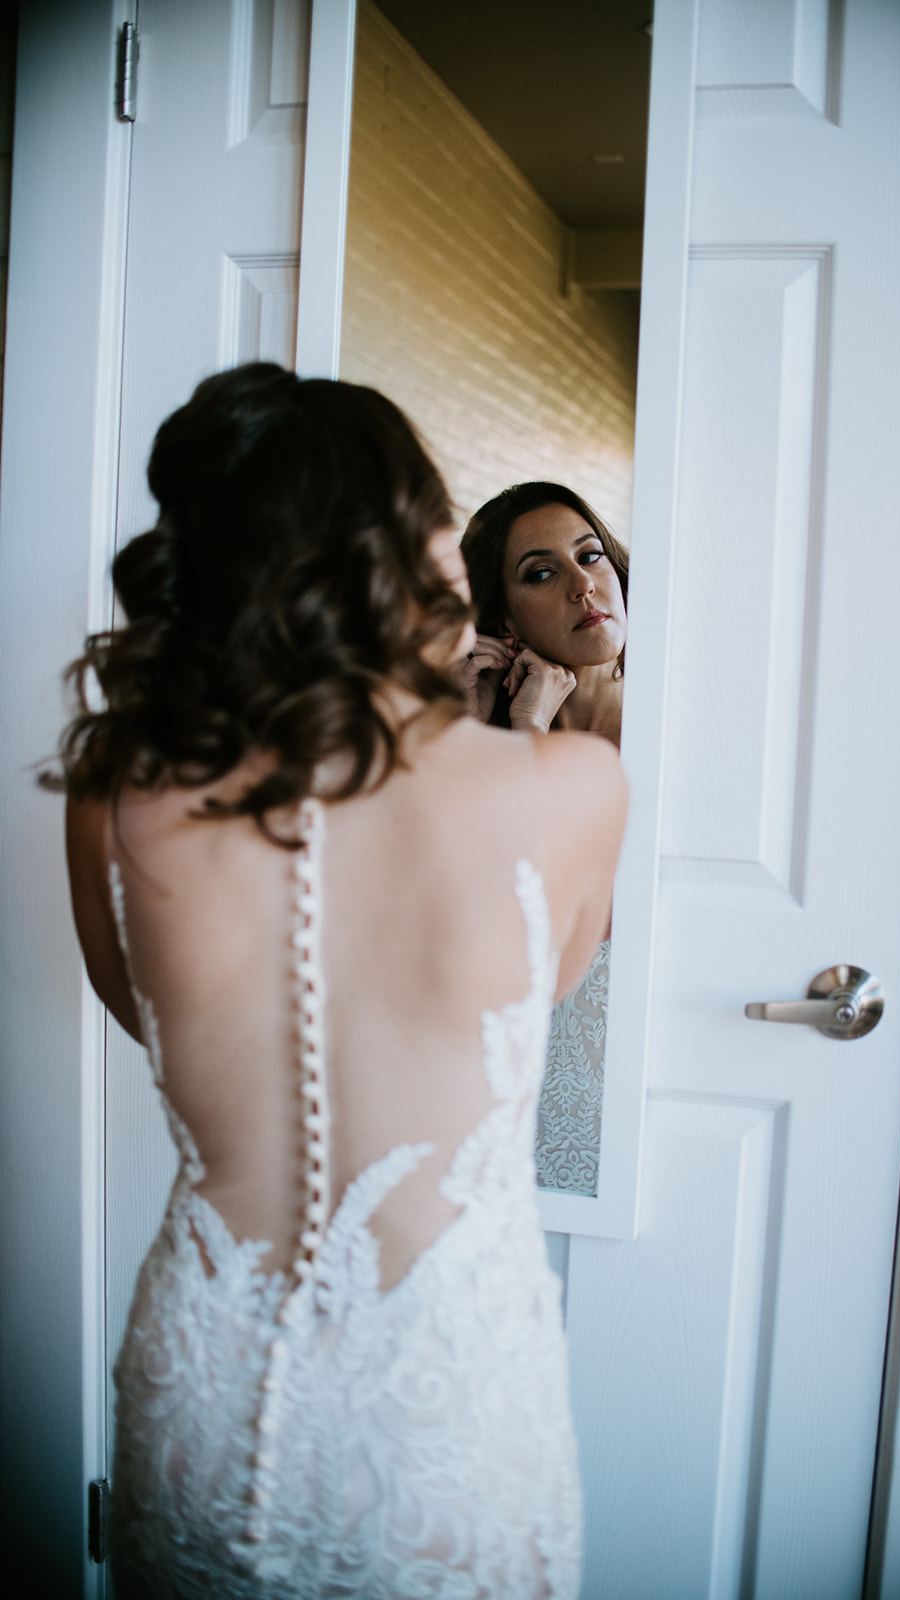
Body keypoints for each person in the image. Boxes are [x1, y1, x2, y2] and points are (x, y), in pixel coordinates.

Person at [53, 367, 626, 1598]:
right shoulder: (568, 787)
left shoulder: (120, 789)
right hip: (453, 1398)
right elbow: (538, 999)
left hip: (200, 1386)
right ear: (420, 543)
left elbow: (135, 1007)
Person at [459, 485, 627, 1196]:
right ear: (502, 620)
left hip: (627, 1065)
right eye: (542, 572)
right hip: (494, 1088)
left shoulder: (675, 723)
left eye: (589, 555)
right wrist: (510, 728)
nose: (583, 583)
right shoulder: (489, 748)